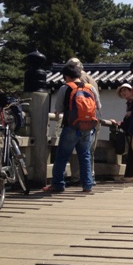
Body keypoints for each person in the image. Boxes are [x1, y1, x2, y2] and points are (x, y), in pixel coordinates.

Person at [42, 64, 96, 193]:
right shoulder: (90, 88)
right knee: (85, 155)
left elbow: (59, 108)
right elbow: (98, 106)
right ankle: (87, 185)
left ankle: (58, 184)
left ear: (66, 76)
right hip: (87, 126)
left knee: (62, 156)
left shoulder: (65, 88)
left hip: (71, 126)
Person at [66, 58, 101, 184]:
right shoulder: (92, 80)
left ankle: (77, 177)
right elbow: (98, 103)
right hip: (93, 118)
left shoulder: (78, 79)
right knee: (89, 149)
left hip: (79, 120)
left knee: (77, 149)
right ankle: (90, 177)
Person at [111, 83, 133, 181]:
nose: (123, 92)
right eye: (121, 91)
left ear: (131, 91)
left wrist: (131, 114)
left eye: (125, 90)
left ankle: (130, 175)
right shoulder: (130, 103)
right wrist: (121, 123)